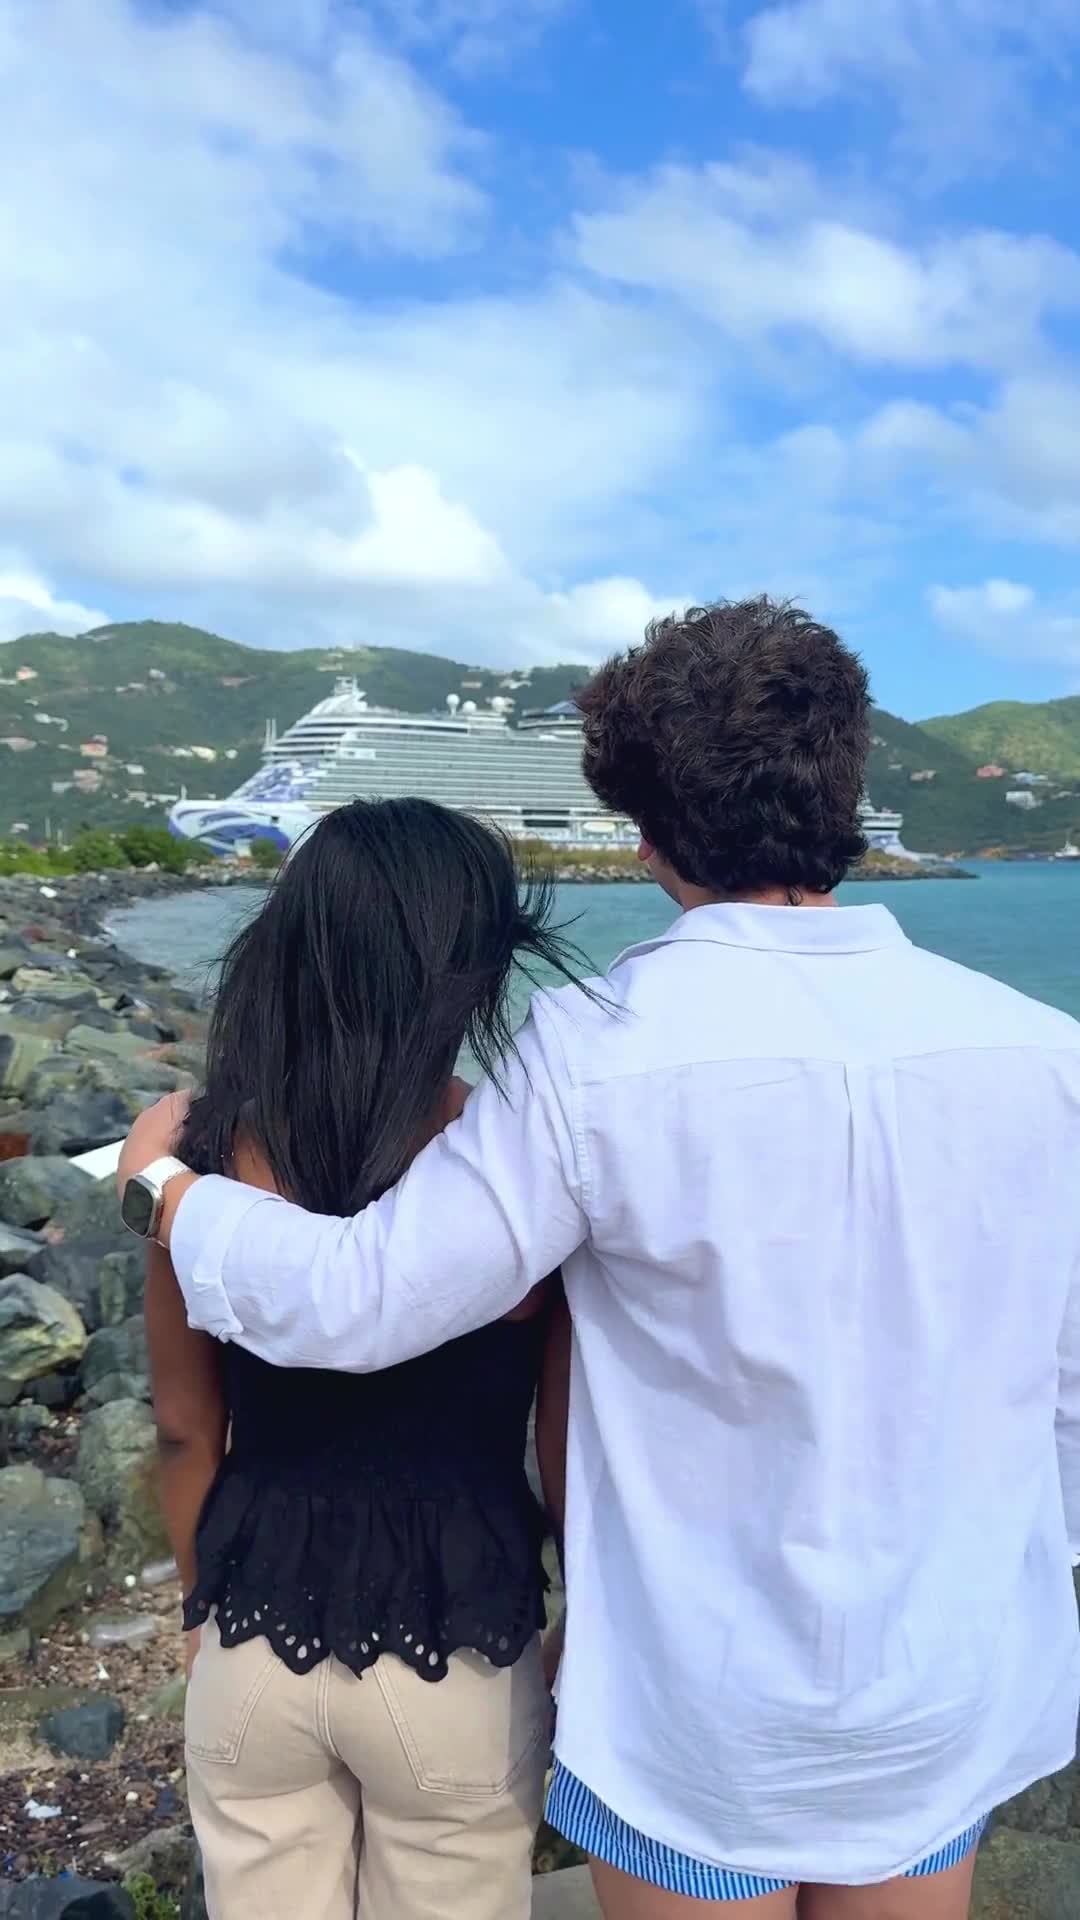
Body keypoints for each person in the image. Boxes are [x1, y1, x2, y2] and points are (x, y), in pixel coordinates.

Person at [122, 598, 1080, 1920]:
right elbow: (1065, 1398)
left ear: (639, 825)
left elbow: (361, 1298)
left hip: (701, 1702)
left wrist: (165, 1194)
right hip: (945, 1674)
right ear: (851, 788)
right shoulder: (1043, 1051)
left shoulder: (593, 1052)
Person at [142, 797, 581, 1920]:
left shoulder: (198, 1162)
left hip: (252, 1633)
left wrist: (201, 1606)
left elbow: (186, 1430)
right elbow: (565, 1445)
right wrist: (585, 1625)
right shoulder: (516, 1182)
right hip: (461, 1652)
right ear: (471, 975)